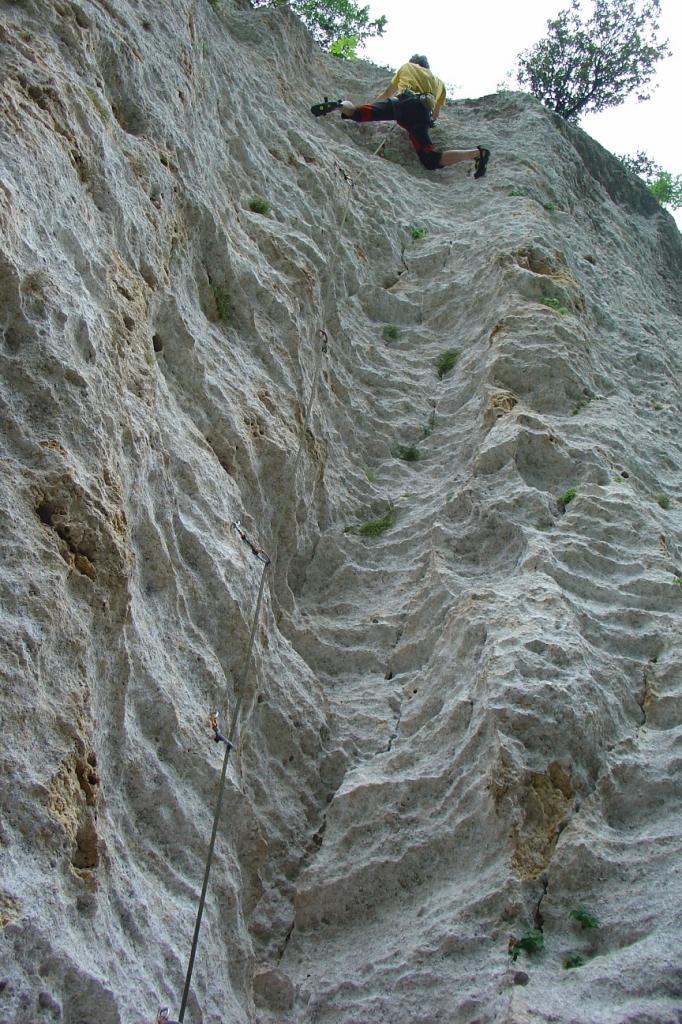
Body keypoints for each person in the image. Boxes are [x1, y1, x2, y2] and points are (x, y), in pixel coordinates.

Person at [312, 55, 490, 178]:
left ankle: (339, 105)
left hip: (402, 102)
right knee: (430, 159)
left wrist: (374, 106)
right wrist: (427, 124)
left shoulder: (407, 66)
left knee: (357, 113)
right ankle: (476, 153)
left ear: (414, 62)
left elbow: (387, 93)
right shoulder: (440, 84)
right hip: (421, 115)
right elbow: (435, 114)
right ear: (427, 66)